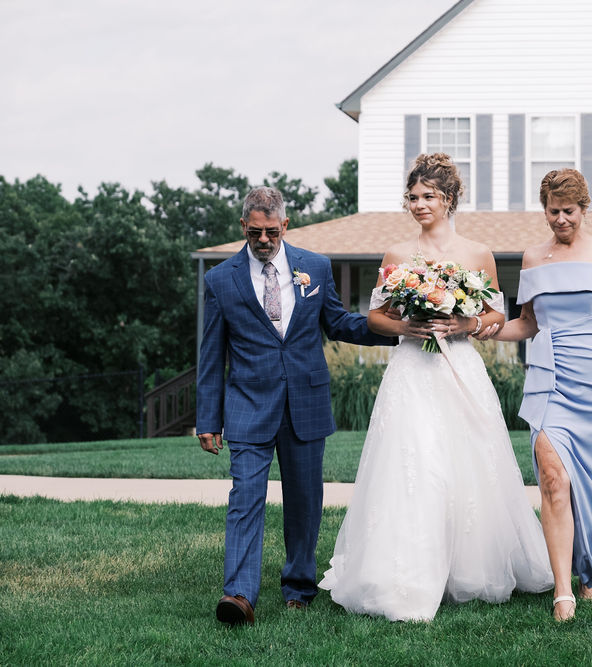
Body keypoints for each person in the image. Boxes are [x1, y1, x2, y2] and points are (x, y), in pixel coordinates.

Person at [318, 153, 553, 621]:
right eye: (413, 197)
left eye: (428, 197)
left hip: (459, 367)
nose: (419, 204)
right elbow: (376, 316)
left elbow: (495, 315)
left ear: (448, 200)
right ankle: (401, 573)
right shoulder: (397, 256)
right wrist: (409, 327)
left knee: (466, 462)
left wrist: (463, 322)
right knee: (413, 464)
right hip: (412, 370)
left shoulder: (477, 253)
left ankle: (469, 568)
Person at [196, 186, 396, 626]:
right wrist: (208, 418)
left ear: (285, 225)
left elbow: (339, 322)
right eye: (254, 233)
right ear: (242, 228)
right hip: (248, 404)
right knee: (245, 497)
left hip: (305, 401)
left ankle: (299, 587)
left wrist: (397, 328)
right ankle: (239, 595)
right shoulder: (220, 280)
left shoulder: (316, 267)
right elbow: (211, 354)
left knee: (304, 501)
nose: (263, 240)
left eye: (271, 231)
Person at [484, 168, 592, 621]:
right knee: (553, 479)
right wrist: (479, 328)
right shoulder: (533, 258)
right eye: (553, 212)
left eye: (569, 211)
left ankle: (588, 570)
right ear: (544, 210)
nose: (561, 220)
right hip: (549, 376)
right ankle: (563, 590)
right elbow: (527, 323)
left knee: (590, 489)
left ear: (584, 208)